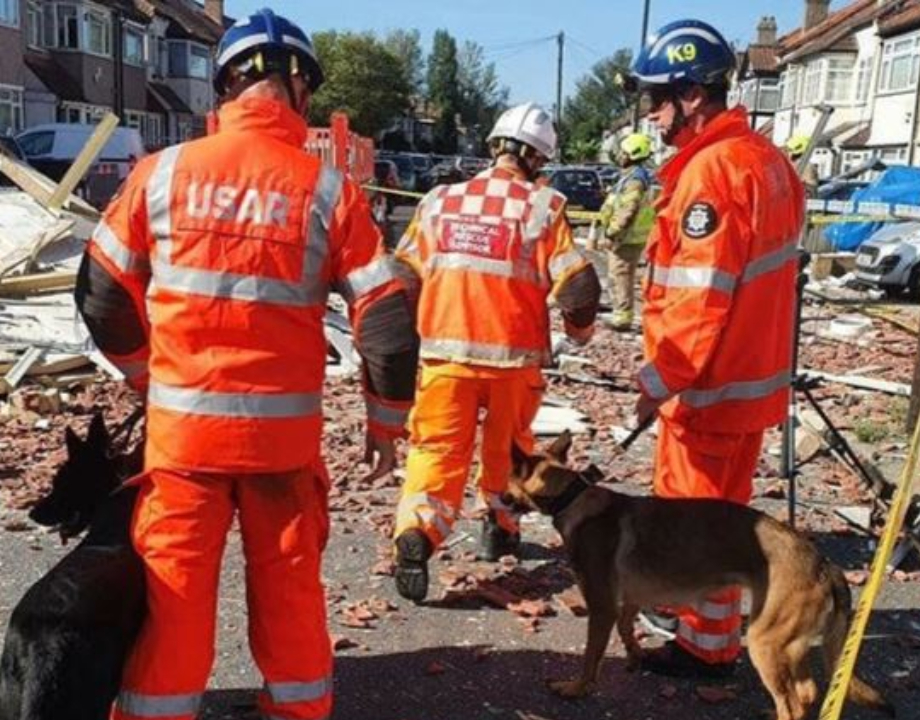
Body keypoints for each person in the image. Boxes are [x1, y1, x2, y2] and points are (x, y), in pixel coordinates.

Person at [74, 9, 419, 720]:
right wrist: (386, 423)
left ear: (225, 87)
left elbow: (101, 291)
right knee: (290, 595)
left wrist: (144, 376)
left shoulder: (160, 174)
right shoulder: (327, 192)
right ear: (299, 88)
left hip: (182, 446)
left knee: (171, 599)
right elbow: (386, 322)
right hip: (281, 452)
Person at [622, 19, 805, 678]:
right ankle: (715, 640)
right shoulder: (768, 162)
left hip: (705, 393)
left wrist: (656, 380)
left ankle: (704, 651)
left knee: (691, 533)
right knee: (726, 529)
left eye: (658, 97)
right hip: (750, 388)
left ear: (693, 95)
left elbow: (698, 299)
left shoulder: (711, 174)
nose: (652, 114)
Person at [391, 102, 601, 603]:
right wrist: (580, 330)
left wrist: (398, 347)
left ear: (493, 146)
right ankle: (500, 527)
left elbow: (402, 278)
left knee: (436, 452)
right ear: (539, 158)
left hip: (443, 359)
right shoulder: (544, 207)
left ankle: (417, 533)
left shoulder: (438, 200)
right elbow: (580, 285)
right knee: (509, 453)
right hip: (513, 362)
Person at [591, 133, 655, 331]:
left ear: (632, 154)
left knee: (621, 275)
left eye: (623, 152)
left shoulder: (634, 180)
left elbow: (628, 209)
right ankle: (620, 312)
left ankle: (622, 317)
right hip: (627, 236)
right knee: (617, 274)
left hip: (627, 238)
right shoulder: (630, 177)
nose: (619, 155)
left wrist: (612, 232)